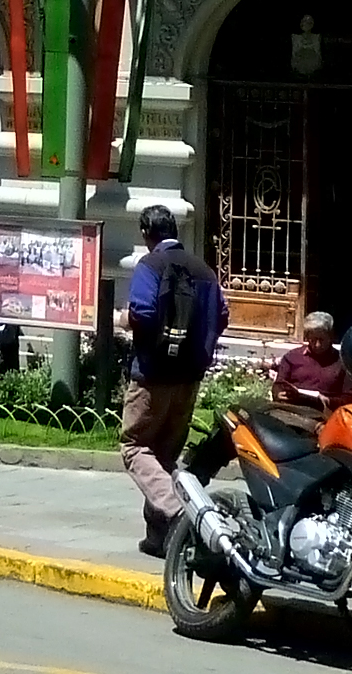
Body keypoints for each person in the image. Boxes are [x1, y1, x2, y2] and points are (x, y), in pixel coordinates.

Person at [121, 204, 227, 557]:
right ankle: (160, 538)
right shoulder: (205, 270)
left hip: (153, 374)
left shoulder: (150, 265)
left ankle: (181, 513)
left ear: (145, 233)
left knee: (135, 447)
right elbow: (222, 314)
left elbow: (144, 312)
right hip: (190, 375)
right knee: (164, 455)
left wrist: (125, 321)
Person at [271, 311, 352, 412]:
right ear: (307, 338)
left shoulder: (342, 362)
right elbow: (279, 384)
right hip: (292, 410)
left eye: (322, 340)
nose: (317, 345)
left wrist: (328, 401)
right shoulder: (292, 357)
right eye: (313, 340)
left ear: (331, 337)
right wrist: (278, 393)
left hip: (324, 414)